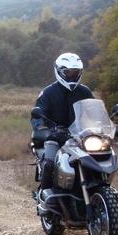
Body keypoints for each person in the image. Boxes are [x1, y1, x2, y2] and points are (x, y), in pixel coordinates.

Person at [31, 52, 94, 193]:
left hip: (79, 137)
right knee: (49, 164)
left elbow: (92, 112)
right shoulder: (48, 93)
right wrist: (42, 128)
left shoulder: (84, 92)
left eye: (75, 72)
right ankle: (47, 195)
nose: (72, 76)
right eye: (68, 73)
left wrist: (104, 126)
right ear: (59, 72)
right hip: (54, 137)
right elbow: (37, 115)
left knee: (98, 159)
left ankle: (99, 189)